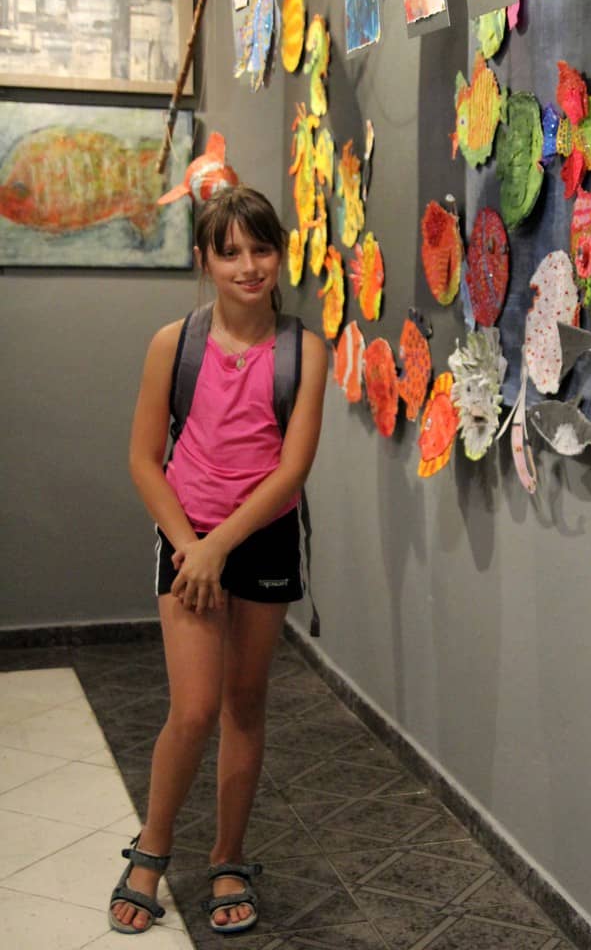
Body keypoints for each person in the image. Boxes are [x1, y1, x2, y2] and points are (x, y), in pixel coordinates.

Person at [109, 186, 327, 935]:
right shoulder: (174, 344)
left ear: (280, 255)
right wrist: (190, 547)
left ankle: (229, 856)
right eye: (230, 252)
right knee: (195, 707)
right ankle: (151, 848)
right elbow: (144, 460)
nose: (248, 266)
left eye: (262, 249)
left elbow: (291, 472)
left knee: (245, 701)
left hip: (259, 536)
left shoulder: (305, 350)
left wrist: (219, 548)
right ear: (204, 260)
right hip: (186, 534)